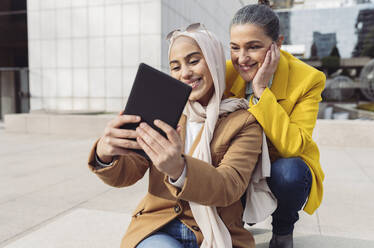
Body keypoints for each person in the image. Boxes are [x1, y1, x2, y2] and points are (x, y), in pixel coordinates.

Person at [88, 25, 264, 248]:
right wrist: (105, 154)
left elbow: (230, 185)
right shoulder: (166, 112)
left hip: (218, 232)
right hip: (159, 227)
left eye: (193, 61)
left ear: (215, 61)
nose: (185, 73)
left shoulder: (243, 122)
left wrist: (180, 170)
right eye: (175, 67)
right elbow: (129, 172)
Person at [225, 1, 326, 248]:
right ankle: (234, 220)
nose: (242, 58)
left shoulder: (308, 79)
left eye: (253, 47)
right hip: (238, 163)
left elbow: (293, 146)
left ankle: (282, 229)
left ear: (278, 44)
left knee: (290, 173)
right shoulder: (226, 72)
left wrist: (260, 90)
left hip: (279, 165)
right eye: (235, 47)